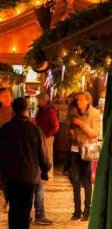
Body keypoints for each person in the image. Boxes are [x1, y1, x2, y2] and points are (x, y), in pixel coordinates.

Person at [0, 98, 51, 229]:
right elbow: (43, 154)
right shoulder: (35, 130)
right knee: (25, 209)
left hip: (9, 176)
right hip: (29, 176)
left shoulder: (5, 129)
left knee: (13, 207)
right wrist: (45, 170)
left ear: (13, 110)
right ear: (27, 109)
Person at [68, 92, 101, 221]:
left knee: (86, 180)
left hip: (87, 150)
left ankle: (87, 211)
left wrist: (81, 125)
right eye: (77, 100)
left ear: (88, 100)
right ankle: (77, 210)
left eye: (81, 100)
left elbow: (95, 133)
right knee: (75, 179)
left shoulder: (94, 114)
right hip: (75, 149)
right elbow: (70, 128)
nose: (78, 102)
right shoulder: (74, 112)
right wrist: (71, 132)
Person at [33, 93, 59, 225]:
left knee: (46, 157)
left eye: (39, 99)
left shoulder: (50, 111)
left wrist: (45, 135)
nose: (38, 101)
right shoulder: (41, 110)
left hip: (46, 138)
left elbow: (55, 126)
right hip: (40, 137)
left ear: (44, 100)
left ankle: (47, 175)